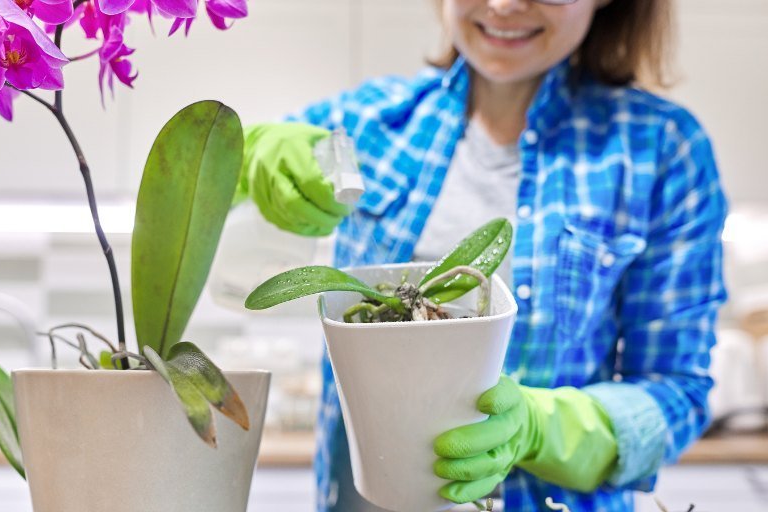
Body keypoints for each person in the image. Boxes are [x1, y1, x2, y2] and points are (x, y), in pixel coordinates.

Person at [238, 0, 727, 510]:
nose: (505, 5)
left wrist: (543, 429)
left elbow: (677, 393)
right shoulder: (366, 124)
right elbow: (199, 171)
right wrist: (253, 151)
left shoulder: (659, 149)